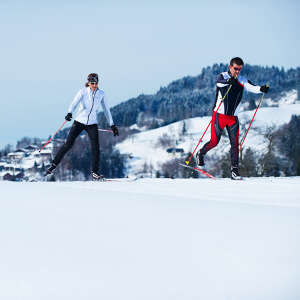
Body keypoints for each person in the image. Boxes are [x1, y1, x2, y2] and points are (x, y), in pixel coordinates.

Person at [195, 57, 269, 180]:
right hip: (219, 115)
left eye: (240, 69)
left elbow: (252, 87)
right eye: (235, 69)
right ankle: (200, 154)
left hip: (233, 118)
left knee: (235, 144)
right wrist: (230, 81)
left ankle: (235, 171)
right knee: (214, 141)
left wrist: (261, 89)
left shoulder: (242, 80)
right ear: (230, 67)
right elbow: (219, 83)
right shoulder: (223, 76)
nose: (237, 71)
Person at [46, 73, 119, 180]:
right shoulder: (83, 92)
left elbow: (106, 110)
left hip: (92, 124)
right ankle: (53, 165)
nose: (94, 85)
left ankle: (95, 172)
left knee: (96, 148)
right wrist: (69, 112)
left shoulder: (101, 94)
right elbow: (74, 103)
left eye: (96, 83)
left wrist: (112, 125)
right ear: (88, 83)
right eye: (92, 83)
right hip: (79, 121)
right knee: (68, 144)